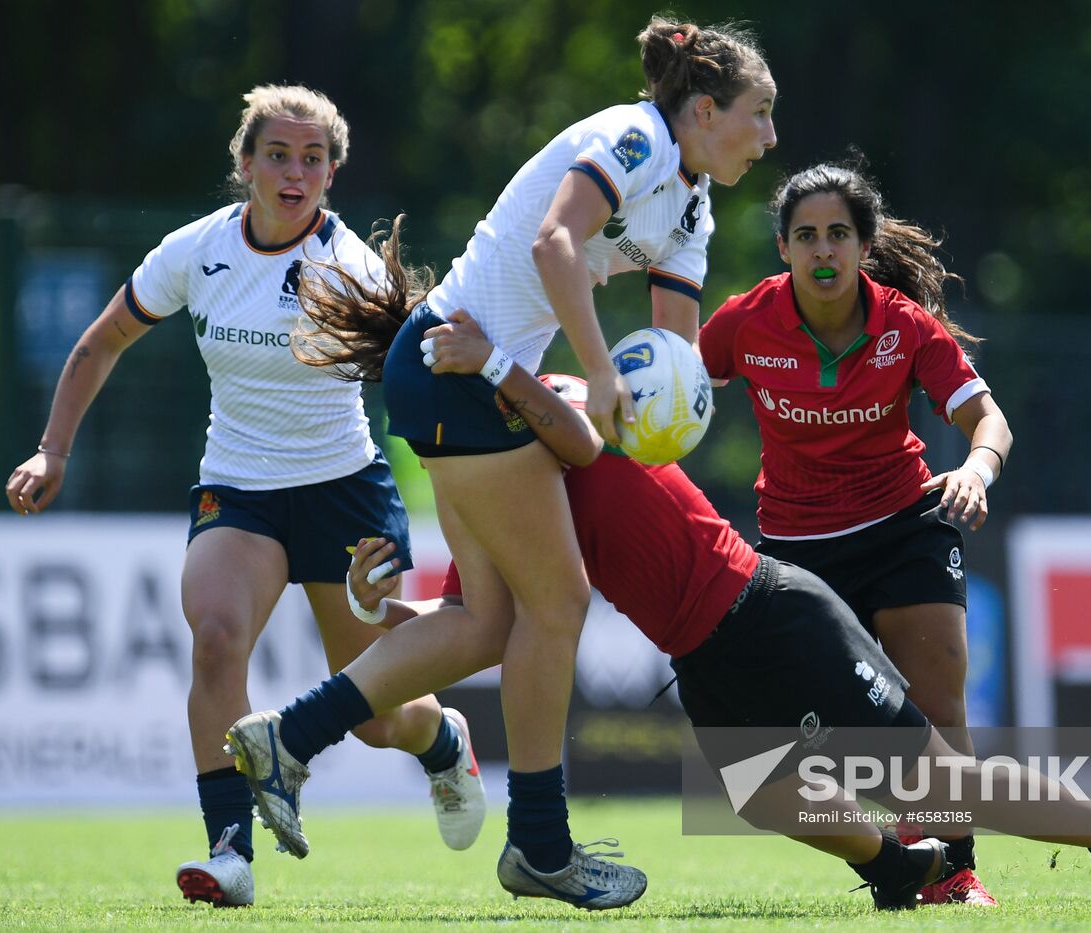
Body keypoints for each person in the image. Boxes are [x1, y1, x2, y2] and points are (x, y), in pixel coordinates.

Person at [227, 313, 1091, 912]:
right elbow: (473, 617)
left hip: (767, 609)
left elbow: (579, 437)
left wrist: (495, 365)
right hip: (702, 652)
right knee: (762, 798)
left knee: (940, 783)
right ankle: (892, 873)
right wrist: (381, 605)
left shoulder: (558, 399)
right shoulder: (492, 477)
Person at [278, 16, 777, 909]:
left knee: (485, 622)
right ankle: (542, 846)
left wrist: (660, 417)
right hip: (455, 363)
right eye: (761, 113)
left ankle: (289, 738)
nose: (770, 137)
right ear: (704, 109)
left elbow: (671, 354)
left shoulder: (692, 206)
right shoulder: (634, 137)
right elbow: (555, 243)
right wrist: (593, 373)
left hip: (467, 375)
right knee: (561, 601)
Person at [2, 84, 485, 909]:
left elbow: (421, 396)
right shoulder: (196, 251)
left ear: (332, 173)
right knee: (217, 639)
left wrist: (421, 525)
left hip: (345, 495)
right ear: (244, 164)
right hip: (241, 490)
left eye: (312, 158)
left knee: (375, 719)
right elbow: (103, 339)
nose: (294, 173)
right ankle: (230, 850)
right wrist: (52, 450)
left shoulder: (356, 272)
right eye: (277, 155)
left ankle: (442, 739)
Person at [697, 161, 1014, 904]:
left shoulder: (905, 324)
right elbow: (676, 384)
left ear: (864, 246)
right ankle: (894, 861)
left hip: (907, 527)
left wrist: (976, 470)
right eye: (805, 235)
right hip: (796, 552)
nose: (822, 250)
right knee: (797, 736)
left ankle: (955, 871)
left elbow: (987, 418)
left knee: (938, 702)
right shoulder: (746, 320)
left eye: (839, 233)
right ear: (782, 247)